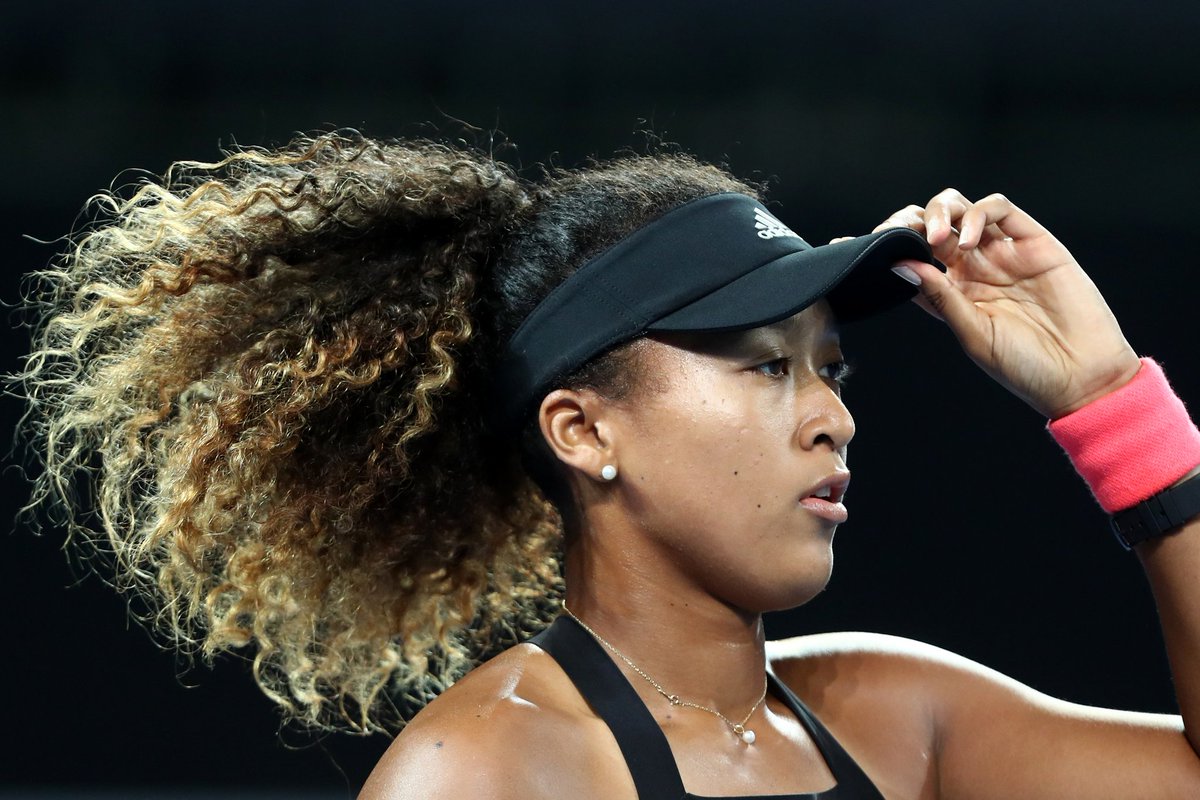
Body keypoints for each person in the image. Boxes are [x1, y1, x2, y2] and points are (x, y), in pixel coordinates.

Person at [19, 132, 1200, 799]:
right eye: (763, 365)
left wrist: (1107, 399)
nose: (831, 417)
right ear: (584, 430)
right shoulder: (482, 771)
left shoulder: (903, 711)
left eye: (830, 368)